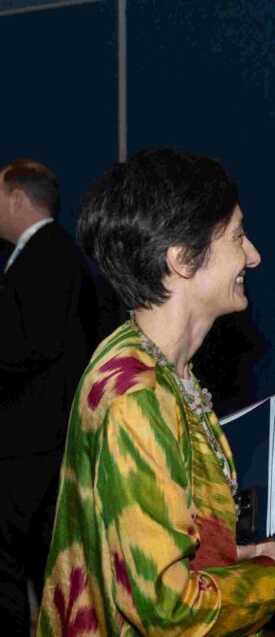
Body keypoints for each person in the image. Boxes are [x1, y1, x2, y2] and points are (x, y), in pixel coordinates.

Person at [35, 148, 275, 635]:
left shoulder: (158, 364)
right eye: (237, 236)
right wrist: (264, 580)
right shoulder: (139, 395)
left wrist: (230, 554)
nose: (253, 256)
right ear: (184, 259)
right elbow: (167, 610)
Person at [0, 159, 98, 632]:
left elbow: (33, 343)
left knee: (10, 561)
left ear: (17, 198)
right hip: (40, 440)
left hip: (31, 443)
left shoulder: (48, 254)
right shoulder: (52, 251)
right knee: (40, 558)